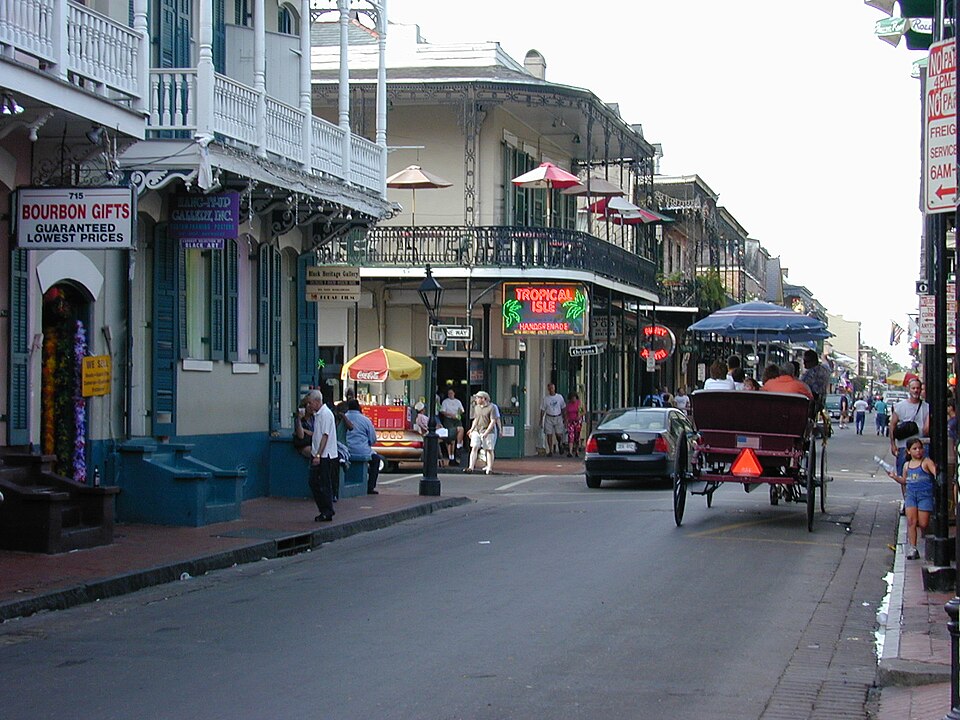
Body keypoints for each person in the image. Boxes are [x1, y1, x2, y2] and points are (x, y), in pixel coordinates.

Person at [885, 437, 936, 560]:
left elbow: (936, 474)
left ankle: (928, 537)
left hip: (925, 495)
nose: (918, 451)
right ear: (908, 451)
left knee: (923, 523)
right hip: (911, 496)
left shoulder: (926, 462)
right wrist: (894, 477)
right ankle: (913, 548)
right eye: (914, 448)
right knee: (911, 522)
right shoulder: (907, 465)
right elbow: (904, 480)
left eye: (920, 448)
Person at [305, 389, 337, 522]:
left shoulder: (325, 415)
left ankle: (327, 510)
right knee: (314, 482)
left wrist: (318, 454)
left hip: (325, 456)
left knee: (324, 484)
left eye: (310, 403)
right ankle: (324, 509)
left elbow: (325, 436)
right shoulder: (317, 415)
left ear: (317, 401)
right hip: (318, 454)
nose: (309, 405)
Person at [889, 378, 930, 477]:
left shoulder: (927, 407)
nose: (916, 390)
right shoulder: (899, 406)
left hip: (921, 446)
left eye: (918, 388)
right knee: (903, 476)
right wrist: (893, 444)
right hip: (904, 447)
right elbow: (892, 425)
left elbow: (926, 430)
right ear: (909, 389)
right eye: (913, 388)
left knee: (921, 476)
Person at [343, 399, 380, 495]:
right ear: (359, 407)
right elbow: (373, 439)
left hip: (345, 450)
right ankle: (370, 486)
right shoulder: (365, 420)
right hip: (362, 451)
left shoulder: (343, 418)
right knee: (376, 459)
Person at [466, 391, 497, 474]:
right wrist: (471, 429)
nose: (476, 399)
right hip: (477, 430)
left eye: (477, 398)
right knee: (474, 447)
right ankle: (471, 467)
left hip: (487, 431)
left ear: (483, 399)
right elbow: (475, 419)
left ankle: (489, 468)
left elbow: (493, 421)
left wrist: (487, 432)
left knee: (489, 449)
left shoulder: (492, 407)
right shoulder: (476, 408)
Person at [439, 389, 465, 466]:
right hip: (448, 420)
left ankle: (459, 445)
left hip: (456, 419)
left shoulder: (458, 401)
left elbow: (462, 410)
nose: (450, 394)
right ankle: (451, 457)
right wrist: (451, 415)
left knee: (461, 429)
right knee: (451, 439)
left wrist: (458, 414)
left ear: (454, 393)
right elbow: (442, 411)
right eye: (449, 393)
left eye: (451, 393)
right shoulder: (445, 402)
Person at [540, 383, 566, 456]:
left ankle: (560, 443)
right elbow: (542, 410)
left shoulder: (559, 397)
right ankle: (550, 450)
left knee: (558, 434)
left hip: (558, 416)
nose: (551, 390)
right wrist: (541, 419)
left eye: (552, 388)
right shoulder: (546, 399)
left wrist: (565, 418)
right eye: (550, 388)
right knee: (549, 434)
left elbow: (563, 408)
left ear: (554, 388)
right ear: (548, 389)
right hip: (549, 417)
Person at [564, 392, 584, 457]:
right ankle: (570, 451)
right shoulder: (568, 405)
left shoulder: (579, 404)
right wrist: (566, 421)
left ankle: (576, 450)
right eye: (572, 398)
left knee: (577, 436)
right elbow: (566, 413)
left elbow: (583, 411)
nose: (573, 399)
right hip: (570, 421)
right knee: (571, 435)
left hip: (577, 422)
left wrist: (580, 415)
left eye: (574, 398)